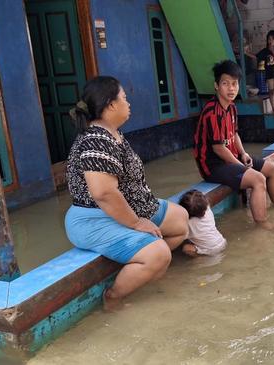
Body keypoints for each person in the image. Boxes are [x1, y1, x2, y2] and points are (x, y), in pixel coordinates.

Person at [65, 76, 189, 311]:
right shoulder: (95, 141)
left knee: (181, 221)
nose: (128, 103)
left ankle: (138, 267)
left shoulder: (112, 133)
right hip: (94, 218)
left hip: (132, 207)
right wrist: (135, 223)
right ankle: (113, 297)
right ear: (110, 105)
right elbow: (103, 193)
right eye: (124, 98)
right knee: (159, 255)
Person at [193, 60, 274, 230]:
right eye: (225, 83)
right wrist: (242, 167)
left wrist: (243, 154)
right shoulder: (212, 112)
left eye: (234, 84)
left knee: (273, 168)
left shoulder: (232, 107)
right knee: (258, 179)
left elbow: (234, 134)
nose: (231, 88)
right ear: (216, 86)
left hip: (232, 158)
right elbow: (218, 148)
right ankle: (263, 224)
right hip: (213, 166)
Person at [179, 190, 227, 257]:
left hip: (210, 250)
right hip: (221, 242)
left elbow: (180, 236)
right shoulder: (208, 210)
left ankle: (199, 258)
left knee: (186, 248)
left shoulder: (189, 224)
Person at [257, 30, 274, 116]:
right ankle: (273, 108)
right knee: (271, 91)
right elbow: (256, 56)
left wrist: (272, 50)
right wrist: (245, 52)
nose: (270, 41)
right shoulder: (265, 51)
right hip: (269, 75)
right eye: (269, 39)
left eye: (272, 39)